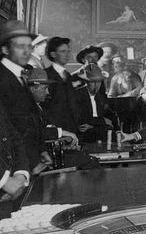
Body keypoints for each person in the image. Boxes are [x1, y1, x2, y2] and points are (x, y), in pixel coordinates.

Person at [0, 21, 68, 170]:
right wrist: (7, 177)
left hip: (29, 162)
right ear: (5, 49)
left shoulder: (19, 77)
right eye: (20, 46)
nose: (26, 52)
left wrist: (41, 149)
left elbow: (30, 122)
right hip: (11, 169)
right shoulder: (3, 78)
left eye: (29, 46)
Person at [43, 36, 79, 133]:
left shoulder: (68, 76)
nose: (67, 55)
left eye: (68, 51)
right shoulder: (46, 75)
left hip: (71, 129)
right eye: (63, 51)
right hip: (53, 131)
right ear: (53, 54)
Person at [74, 64, 112, 143]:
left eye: (99, 82)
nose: (96, 85)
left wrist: (93, 126)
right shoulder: (77, 95)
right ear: (86, 82)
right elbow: (81, 121)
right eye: (93, 82)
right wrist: (102, 121)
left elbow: (110, 120)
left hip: (99, 135)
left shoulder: (101, 97)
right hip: (83, 138)